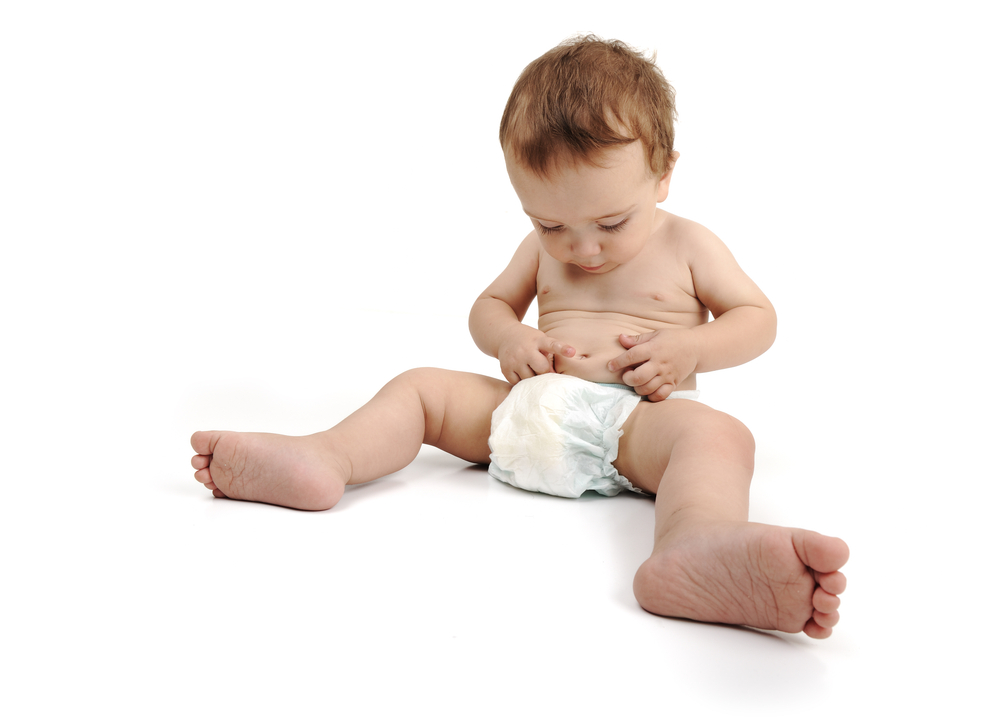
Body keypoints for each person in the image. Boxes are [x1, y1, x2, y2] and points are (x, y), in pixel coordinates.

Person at [190, 35, 849, 638]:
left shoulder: (690, 245)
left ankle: (697, 543)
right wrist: (506, 338)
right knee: (423, 389)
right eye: (549, 225)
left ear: (664, 173)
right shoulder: (542, 250)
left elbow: (757, 319)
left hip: (635, 429)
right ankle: (325, 456)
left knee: (716, 437)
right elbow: (490, 306)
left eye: (612, 222)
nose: (581, 248)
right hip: (523, 412)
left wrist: (690, 349)